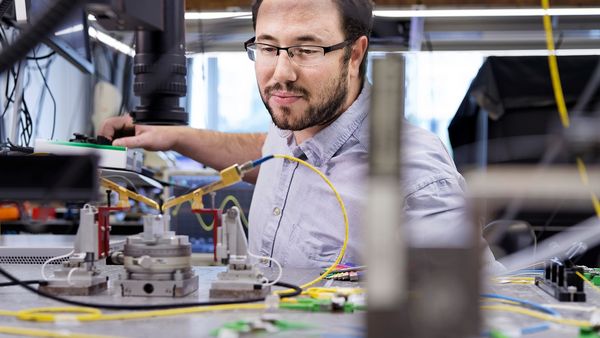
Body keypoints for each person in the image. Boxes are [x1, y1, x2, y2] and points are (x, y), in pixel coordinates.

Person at [100, 0, 499, 269]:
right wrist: (175, 137)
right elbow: (263, 152)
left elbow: (484, 310)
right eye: (268, 47)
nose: (281, 73)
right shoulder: (292, 129)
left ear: (354, 54)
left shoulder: (416, 175)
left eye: (306, 50)